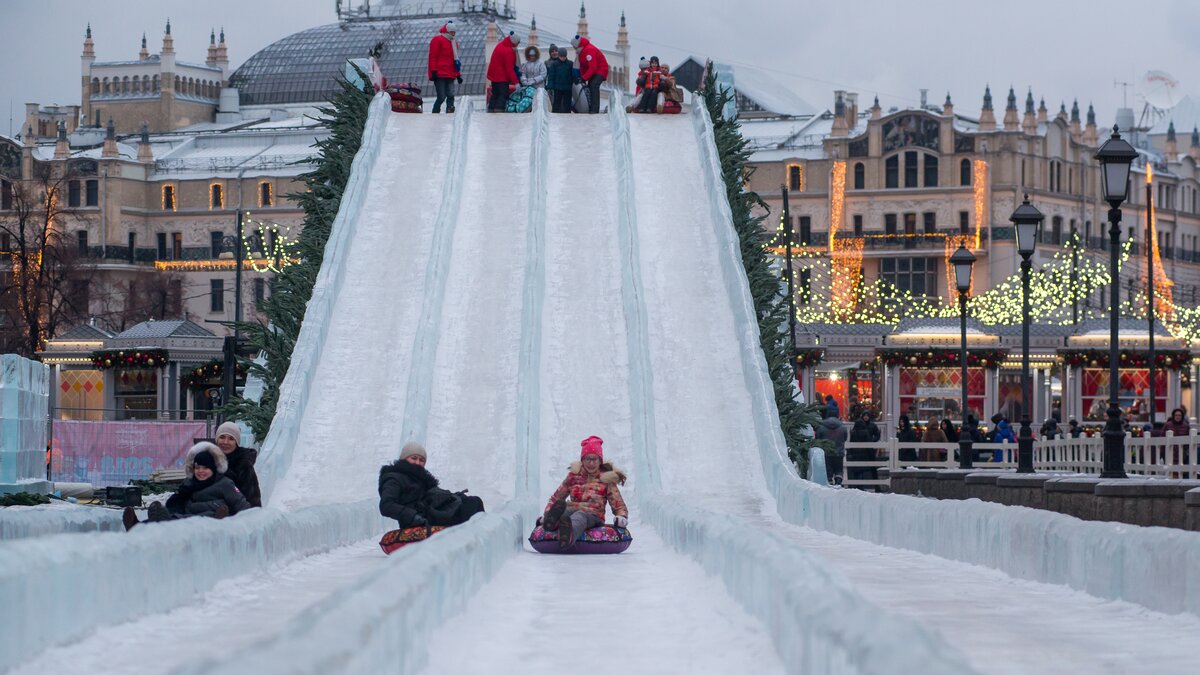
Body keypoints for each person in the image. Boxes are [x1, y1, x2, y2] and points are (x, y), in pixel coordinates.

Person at [123, 442, 253, 530]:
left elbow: (243, 506)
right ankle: (137, 527)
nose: (201, 471)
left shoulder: (224, 483)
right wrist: (178, 499)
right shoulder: (189, 483)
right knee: (171, 520)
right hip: (186, 517)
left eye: (205, 468)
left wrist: (234, 522)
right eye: (198, 468)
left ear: (213, 468)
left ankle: (156, 522)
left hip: (209, 520)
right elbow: (176, 502)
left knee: (173, 524)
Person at [542, 436, 628, 551]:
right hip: (572, 509)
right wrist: (547, 511)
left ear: (600, 461)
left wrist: (621, 516)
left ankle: (568, 536)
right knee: (563, 511)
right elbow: (556, 497)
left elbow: (617, 502)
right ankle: (550, 521)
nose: (591, 463)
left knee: (580, 516)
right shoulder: (573, 476)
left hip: (593, 515)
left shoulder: (606, 479)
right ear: (582, 460)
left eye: (594, 459)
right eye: (588, 459)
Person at [378, 442, 485, 530]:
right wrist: (413, 516)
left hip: (433, 513)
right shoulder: (394, 478)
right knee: (470, 506)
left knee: (472, 502)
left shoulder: (421, 479)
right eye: (414, 458)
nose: (418, 462)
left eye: (422, 460)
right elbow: (386, 505)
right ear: (404, 459)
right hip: (419, 519)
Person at [214, 421, 261, 508]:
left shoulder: (244, 466)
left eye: (231, 438)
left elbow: (252, 500)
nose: (225, 442)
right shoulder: (207, 459)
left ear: (237, 442)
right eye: (222, 437)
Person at [426, 21, 462, 113]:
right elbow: (433, 56)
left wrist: (458, 74)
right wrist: (433, 71)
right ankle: (435, 112)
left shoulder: (453, 42)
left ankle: (450, 111)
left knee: (451, 94)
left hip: (450, 73)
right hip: (440, 74)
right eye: (452, 32)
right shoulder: (437, 40)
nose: (453, 34)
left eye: (454, 32)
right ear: (447, 31)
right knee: (441, 96)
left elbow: (456, 60)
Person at [571, 34, 608, 114]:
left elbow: (593, 67)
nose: (574, 50)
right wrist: (581, 78)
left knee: (593, 85)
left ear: (578, 46)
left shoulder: (589, 50)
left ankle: (594, 109)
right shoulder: (581, 52)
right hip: (595, 71)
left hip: (601, 70)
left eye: (575, 47)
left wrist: (584, 78)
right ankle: (589, 106)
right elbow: (583, 67)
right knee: (589, 87)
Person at [486, 31, 520, 112]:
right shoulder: (509, 51)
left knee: (495, 95)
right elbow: (509, 69)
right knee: (502, 95)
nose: (518, 45)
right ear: (515, 42)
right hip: (502, 78)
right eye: (518, 43)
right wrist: (516, 82)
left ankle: (490, 112)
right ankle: (499, 112)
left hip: (494, 76)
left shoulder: (500, 44)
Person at [846, 412, 880, 483]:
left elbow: (877, 435)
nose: (866, 417)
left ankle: (876, 485)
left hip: (868, 449)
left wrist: (872, 441)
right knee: (860, 468)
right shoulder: (858, 426)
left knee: (872, 468)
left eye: (867, 415)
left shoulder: (872, 425)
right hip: (861, 451)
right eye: (865, 415)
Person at [816, 414, 847, 483]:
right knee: (838, 469)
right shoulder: (842, 427)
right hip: (839, 453)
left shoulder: (821, 427)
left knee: (828, 469)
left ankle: (829, 482)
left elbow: (818, 438)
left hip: (826, 453)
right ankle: (838, 483)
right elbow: (845, 438)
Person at [545, 44, 573, 113]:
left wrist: (574, 81)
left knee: (567, 103)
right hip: (557, 87)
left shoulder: (570, 64)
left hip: (567, 87)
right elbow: (551, 76)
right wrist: (550, 86)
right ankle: (555, 114)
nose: (562, 58)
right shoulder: (554, 64)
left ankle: (567, 114)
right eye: (561, 57)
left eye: (564, 57)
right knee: (556, 102)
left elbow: (572, 75)